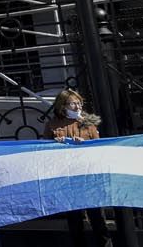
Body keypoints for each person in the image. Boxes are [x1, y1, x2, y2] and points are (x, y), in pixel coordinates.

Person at [43, 89, 108, 247]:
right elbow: (44, 151)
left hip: (88, 175)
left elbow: (98, 147)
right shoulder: (52, 124)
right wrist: (55, 145)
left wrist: (84, 144)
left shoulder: (88, 121)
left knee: (97, 218)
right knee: (75, 220)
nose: (77, 106)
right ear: (62, 105)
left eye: (79, 103)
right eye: (73, 103)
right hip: (68, 176)